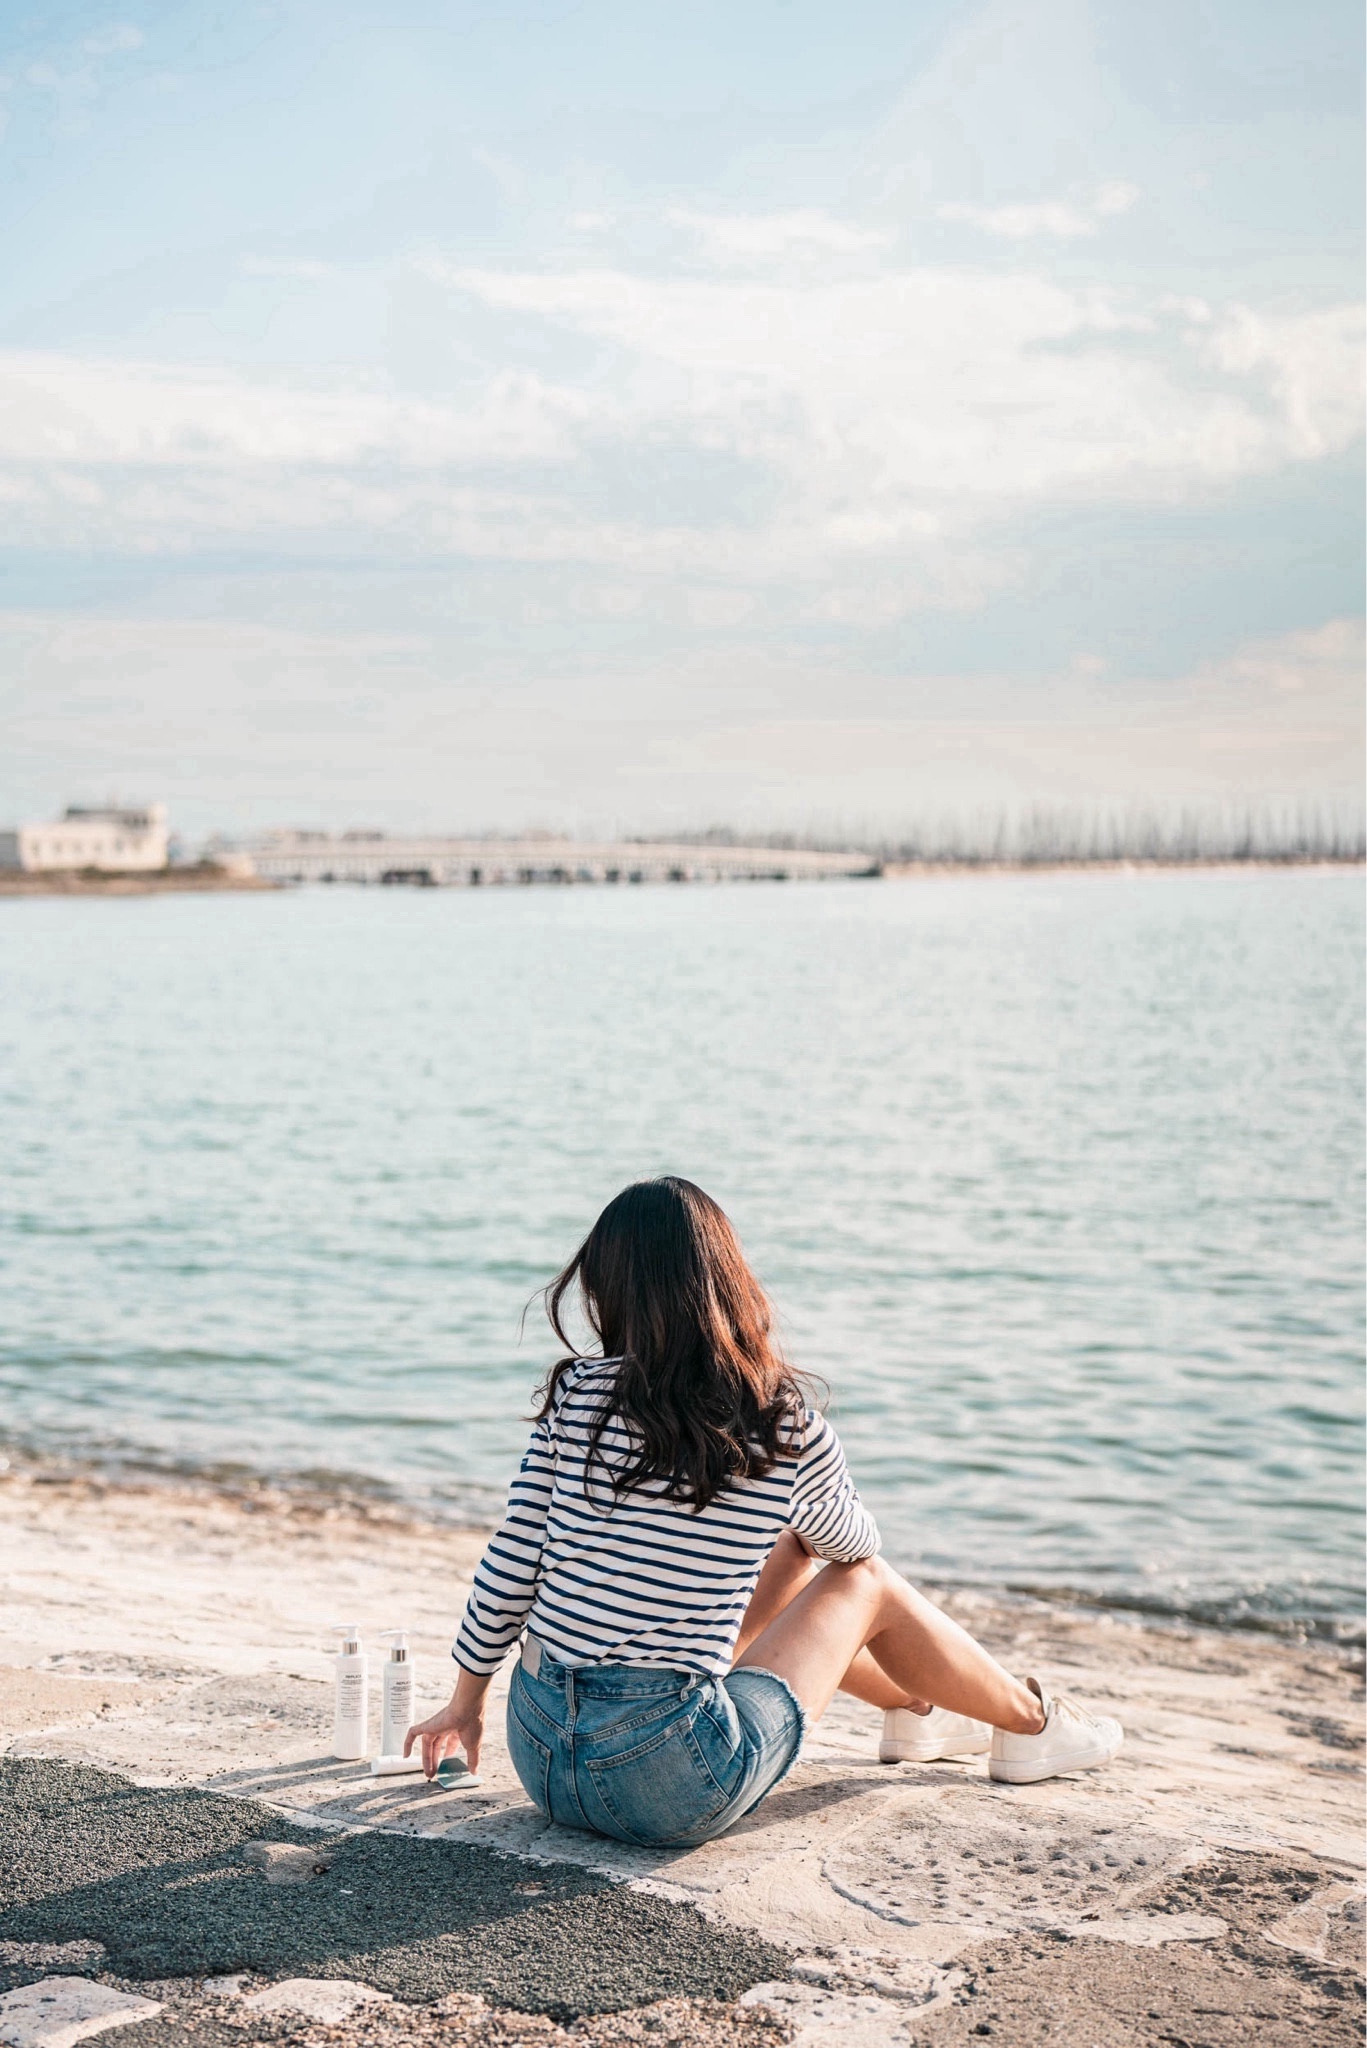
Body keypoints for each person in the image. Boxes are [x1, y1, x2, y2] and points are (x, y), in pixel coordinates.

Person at [406, 1177, 1122, 1847]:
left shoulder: (574, 1397)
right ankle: (1033, 1724)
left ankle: (914, 1714)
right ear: (727, 1284)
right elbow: (854, 1546)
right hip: (670, 1786)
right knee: (860, 1579)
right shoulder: (780, 1423)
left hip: (541, 1760)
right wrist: (780, 1490)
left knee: (783, 1555)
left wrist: (463, 1705)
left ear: (604, 1286)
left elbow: (512, 1560)